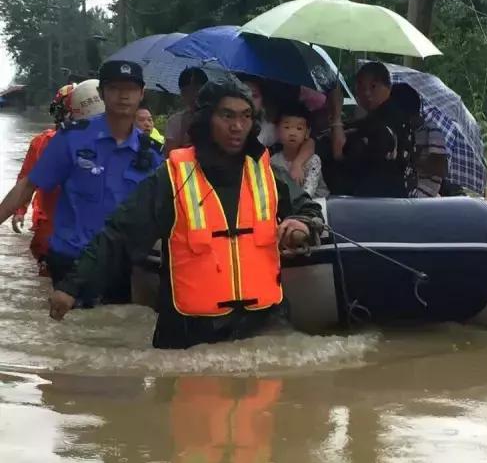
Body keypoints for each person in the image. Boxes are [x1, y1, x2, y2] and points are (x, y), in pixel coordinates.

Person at [47, 73, 323, 349]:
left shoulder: (265, 172)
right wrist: (71, 287)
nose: (237, 126)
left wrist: (302, 224)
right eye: (226, 116)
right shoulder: (172, 177)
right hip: (190, 335)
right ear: (205, 119)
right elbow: (120, 234)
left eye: (246, 116)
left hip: (262, 328)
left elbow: (308, 209)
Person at [0, 60, 164, 303]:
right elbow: (28, 185)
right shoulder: (71, 139)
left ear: (141, 94)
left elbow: (160, 212)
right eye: (115, 88)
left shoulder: (151, 154)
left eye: (130, 89)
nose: (123, 96)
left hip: (123, 265)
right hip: (70, 259)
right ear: (101, 93)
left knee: (114, 334)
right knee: (71, 334)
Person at [12, 79, 106, 276]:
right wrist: (19, 210)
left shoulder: (113, 143)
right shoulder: (44, 143)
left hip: (74, 232)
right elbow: (26, 181)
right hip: (54, 230)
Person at [323, 61, 418, 198]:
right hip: (398, 198)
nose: (366, 93)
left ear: (388, 87)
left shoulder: (382, 123)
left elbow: (340, 154)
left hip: (375, 203)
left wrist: (337, 113)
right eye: (361, 87)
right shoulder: (393, 117)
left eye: (373, 86)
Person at [271, 101, 329, 199]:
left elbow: (308, 192)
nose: (292, 133)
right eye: (287, 127)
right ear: (277, 130)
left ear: (307, 132)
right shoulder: (273, 161)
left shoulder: (313, 161)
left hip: (316, 204)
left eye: (299, 128)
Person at [164, 67, 208, 155]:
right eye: (186, 92)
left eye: (197, 89)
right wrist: (183, 132)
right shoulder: (175, 121)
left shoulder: (217, 119)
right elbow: (170, 156)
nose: (193, 96)